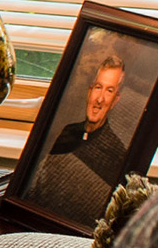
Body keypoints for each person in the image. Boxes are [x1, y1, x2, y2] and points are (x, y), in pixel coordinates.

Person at [27, 49, 137, 222]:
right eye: (98, 87)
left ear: (115, 100)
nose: (100, 99)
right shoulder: (65, 133)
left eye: (109, 91)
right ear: (89, 91)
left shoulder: (117, 154)